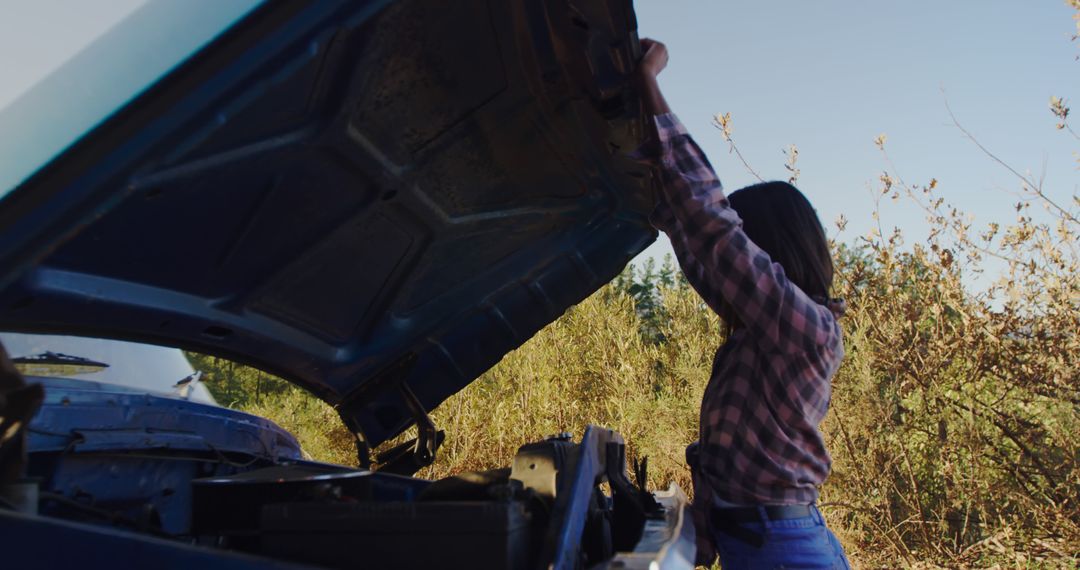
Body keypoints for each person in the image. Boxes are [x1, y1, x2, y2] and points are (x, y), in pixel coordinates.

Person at [635, 38, 852, 569]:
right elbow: (699, 247)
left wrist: (648, 85)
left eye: (748, 245)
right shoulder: (766, 328)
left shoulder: (808, 330)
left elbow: (713, 230)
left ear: (772, 250)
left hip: (783, 553)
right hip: (763, 543)